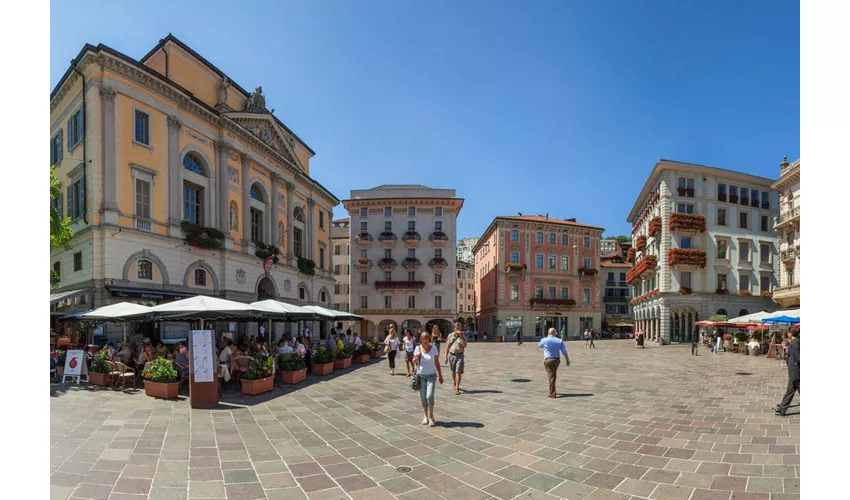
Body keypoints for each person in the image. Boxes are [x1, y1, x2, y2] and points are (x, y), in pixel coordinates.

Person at [412, 331, 444, 426]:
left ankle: (431, 416)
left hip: (432, 375)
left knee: (429, 395)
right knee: (423, 397)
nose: (424, 341)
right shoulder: (418, 348)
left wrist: (440, 376)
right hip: (421, 376)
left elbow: (437, 363)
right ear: (420, 340)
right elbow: (413, 361)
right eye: (423, 339)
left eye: (426, 339)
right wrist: (416, 357)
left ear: (429, 339)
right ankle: (425, 416)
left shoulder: (434, 348)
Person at [538, 327, 570, 398]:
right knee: (553, 375)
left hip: (548, 360)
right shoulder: (559, 341)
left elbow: (539, 345)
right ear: (555, 333)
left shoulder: (544, 340)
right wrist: (567, 360)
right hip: (556, 360)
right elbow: (564, 352)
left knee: (551, 376)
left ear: (548, 333)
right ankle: (553, 390)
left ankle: (552, 393)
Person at [775, 329, 800, 417]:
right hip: (794, 371)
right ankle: (782, 409)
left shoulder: (796, 343)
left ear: (790, 334)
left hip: (796, 371)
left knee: (791, 390)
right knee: (790, 390)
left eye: (788, 333)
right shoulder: (794, 342)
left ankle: (782, 409)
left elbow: (798, 358)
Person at [444, 322, 468, 395]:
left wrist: (461, 337)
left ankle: (457, 387)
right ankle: (454, 382)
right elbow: (447, 346)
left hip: (460, 355)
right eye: (456, 328)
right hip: (452, 355)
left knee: (458, 371)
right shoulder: (450, 336)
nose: (457, 329)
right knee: (453, 372)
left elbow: (464, 345)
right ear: (454, 328)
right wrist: (445, 356)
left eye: (459, 328)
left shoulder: (463, 336)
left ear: (460, 328)